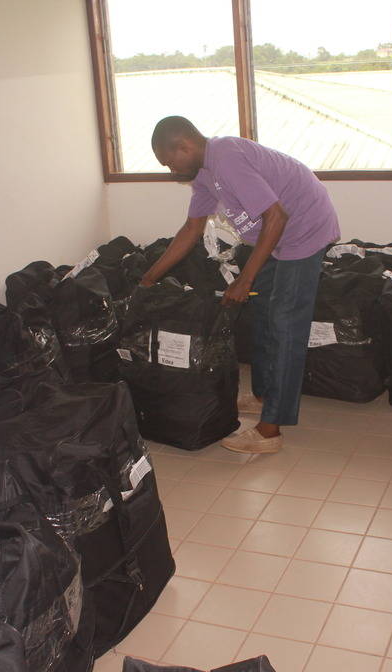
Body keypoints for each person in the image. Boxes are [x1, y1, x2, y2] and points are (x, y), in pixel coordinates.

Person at [140, 116, 340, 454]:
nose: (171, 171)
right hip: (276, 237)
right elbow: (191, 229)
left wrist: (244, 279)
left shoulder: (227, 158)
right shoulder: (203, 174)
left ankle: (270, 429)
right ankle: (263, 394)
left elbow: (276, 216)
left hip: (304, 229)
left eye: (170, 162)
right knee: (261, 308)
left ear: (184, 146)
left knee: (285, 323)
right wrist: (148, 278)